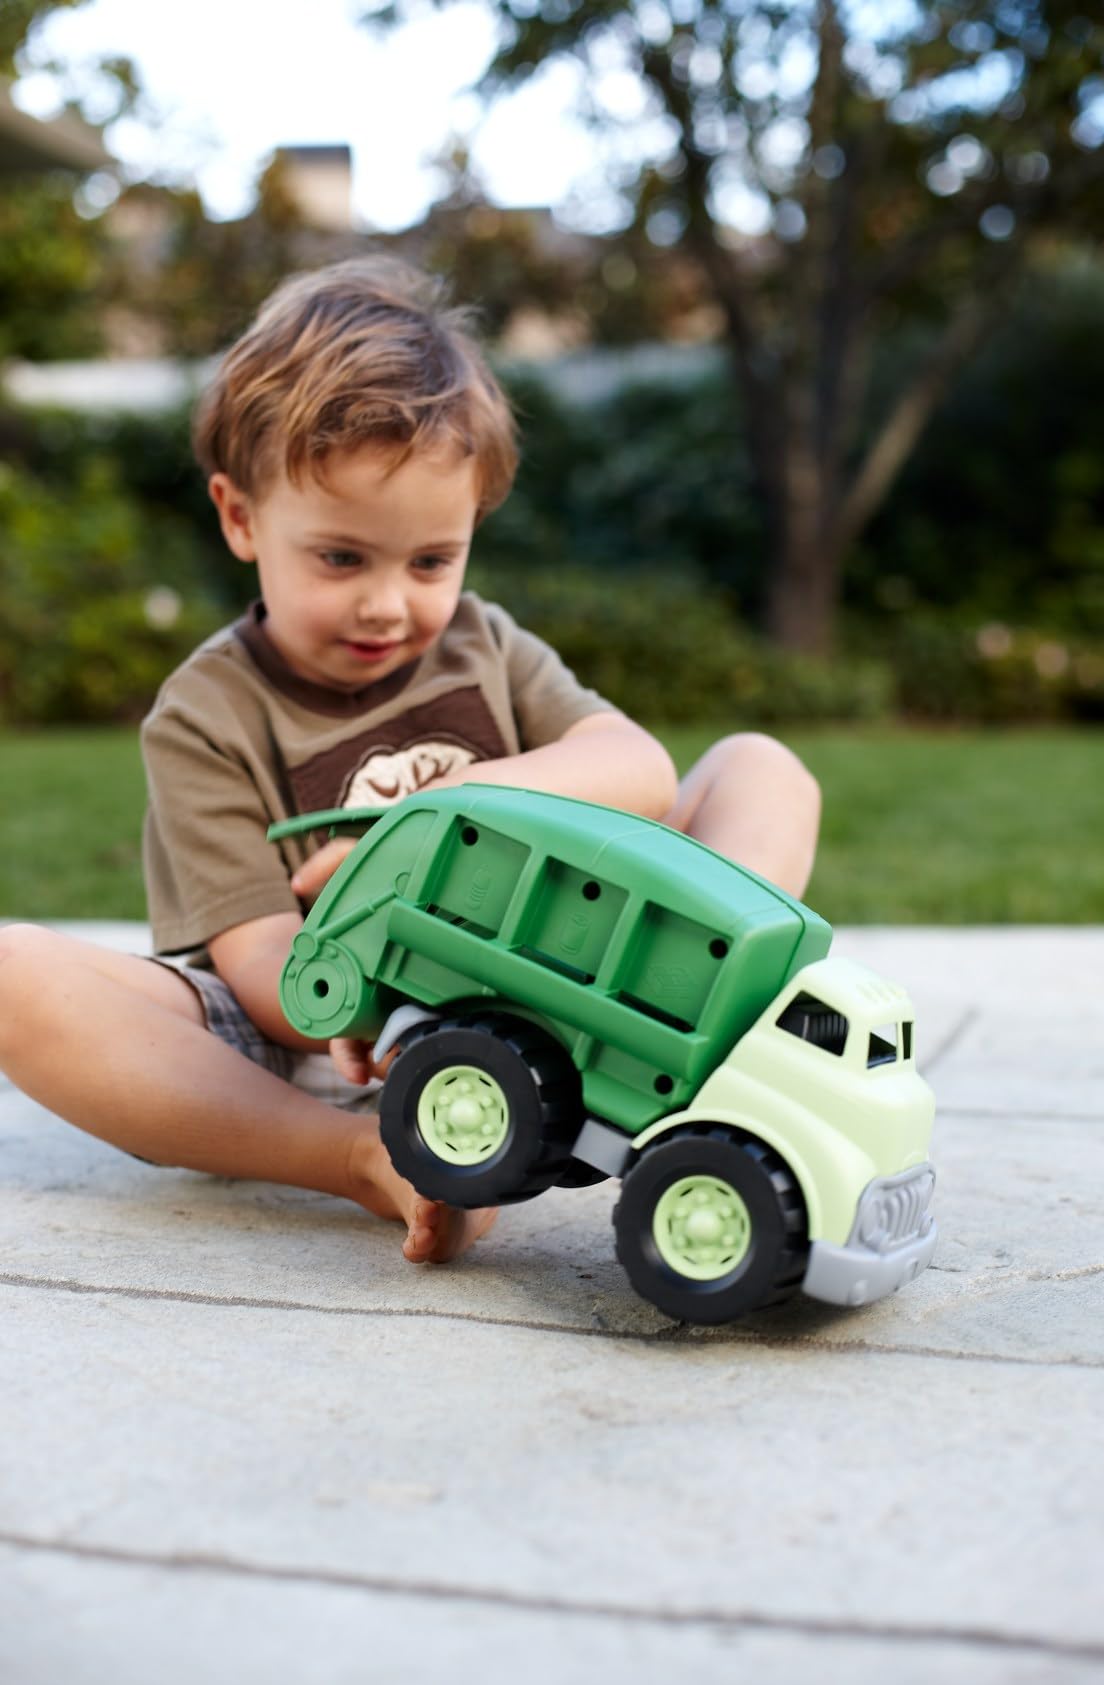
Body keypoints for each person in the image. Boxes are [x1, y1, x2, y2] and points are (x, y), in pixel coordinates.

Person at [0, 257, 820, 1266]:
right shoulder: (205, 713)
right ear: (241, 517)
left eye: (431, 560)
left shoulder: (486, 644)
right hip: (325, 1025)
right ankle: (358, 1155)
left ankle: (715, 1009)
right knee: (12, 971)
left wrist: (435, 810)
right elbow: (257, 960)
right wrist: (367, 987)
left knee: (759, 764)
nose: (390, 602)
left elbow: (638, 767)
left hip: (572, 974)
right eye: (342, 558)